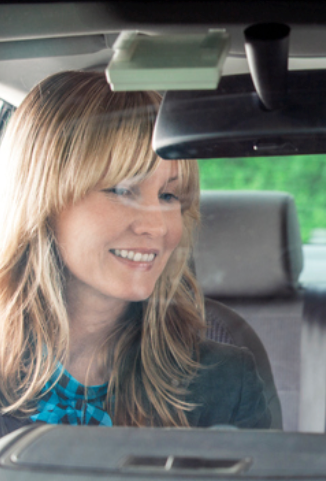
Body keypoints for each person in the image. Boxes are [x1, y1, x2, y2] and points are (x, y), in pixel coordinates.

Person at [0, 71, 272, 434]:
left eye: (168, 196)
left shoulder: (224, 384)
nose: (157, 227)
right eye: (122, 190)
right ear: (43, 200)